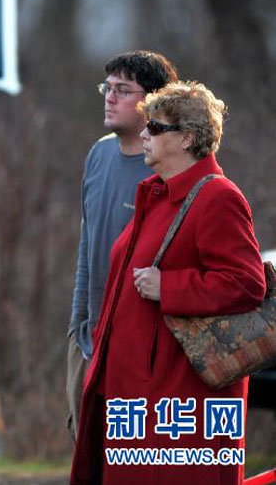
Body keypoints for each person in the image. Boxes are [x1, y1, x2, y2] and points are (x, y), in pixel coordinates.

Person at [71, 81, 266, 484]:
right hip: (137, 398)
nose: (143, 134)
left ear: (188, 138)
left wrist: (170, 287)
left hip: (179, 403)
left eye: (155, 128)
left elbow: (246, 283)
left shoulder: (218, 197)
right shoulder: (157, 195)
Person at [66, 50, 178, 440]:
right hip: (89, 344)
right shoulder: (98, 155)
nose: (109, 98)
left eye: (123, 90)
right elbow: (88, 247)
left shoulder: (170, 168)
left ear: (154, 103)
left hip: (141, 353)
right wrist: (77, 328)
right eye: (107, 88)